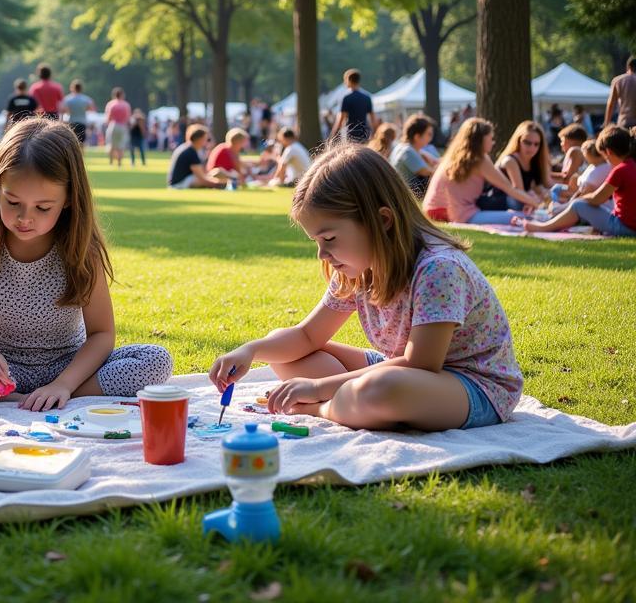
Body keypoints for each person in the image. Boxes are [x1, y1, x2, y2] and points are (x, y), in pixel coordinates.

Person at [209, 145, 521, 431]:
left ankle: (324, 408)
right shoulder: (356, 269)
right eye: (316, 241)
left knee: (383, 390)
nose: (322, 254)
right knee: (280, 346)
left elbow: (420, 364)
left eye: (329, 239)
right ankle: (349, 404)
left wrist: (318, 390)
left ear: (382, 220)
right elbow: (307, 336)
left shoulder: (438, 268)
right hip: (397, 371)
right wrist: (250, 349)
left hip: (473, 386)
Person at [0, 117, 172, 409]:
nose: (25, 218)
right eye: (13, 202)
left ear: (69, 199)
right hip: (2, 370)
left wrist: (63, 385)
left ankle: (46, 397)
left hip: (70, 368)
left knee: (155, 361)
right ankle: (4, 394)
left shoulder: (82, 250)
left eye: (43, 207)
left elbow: (102, 334)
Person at [515, 125, 636, 237]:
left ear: (609, 152)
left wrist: (578, 199)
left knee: (578, 205)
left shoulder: (620, 170)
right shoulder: (632, 165)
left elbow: (597, 198)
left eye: (605, 157)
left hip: (625, 227)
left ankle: (543, 227)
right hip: (630, 225)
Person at [423, 118, 541, 225]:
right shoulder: (480, 159)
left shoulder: (454, 155)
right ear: (482, 140)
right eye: (491, 138)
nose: (493, 142)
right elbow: (509, 188)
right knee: (523, 217)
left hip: (432, 210)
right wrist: (537, 204)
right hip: (457, 213)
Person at [495, 121, 552, 210]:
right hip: (499, 201)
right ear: (518, 141)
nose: (532, 148)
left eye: (536, 144)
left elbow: (541, 185)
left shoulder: (535, 161)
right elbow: (519, 192)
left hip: (520, 201)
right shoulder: (510, 161)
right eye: (527, 143)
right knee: (519, 201)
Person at [166, 124, 230, 189]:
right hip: (179, 184)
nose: (206, 142)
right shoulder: (190, 152)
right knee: (208, 178)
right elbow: (201, 178)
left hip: (181, 181)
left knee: (216, 173)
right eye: (205, 139)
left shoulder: (187, 148)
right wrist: (219, 184)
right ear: (199, 139)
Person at [389, 114, 437, 197]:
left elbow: (435, 161)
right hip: (405, 196)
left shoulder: (405, 147)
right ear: (417, 136)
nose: (431, 138)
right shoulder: (407, 151)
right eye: (429, 134)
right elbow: (431, 172)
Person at [329, 69, 377, 143]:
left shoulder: (346, 98)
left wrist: (333, 134)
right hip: (364, 134)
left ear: (349, 80)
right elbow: (373, 118)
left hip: (351, 134)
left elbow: (341, 118)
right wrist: (375, 132)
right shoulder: (367, 97)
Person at [548, 123, 587, 201]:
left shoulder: (575, 150)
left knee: (553, 190)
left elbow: (568, 178)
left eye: (562, 141)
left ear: (572, 141)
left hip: (576, 192)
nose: (561, 144)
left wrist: (544, 175)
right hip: (576, 191)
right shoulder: (579, 152)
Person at [102, 87, 132, 168]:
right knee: (121, 145)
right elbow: (128, 118)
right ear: (122, 95)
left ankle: (111, 161)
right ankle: (119, 163)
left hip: (113, 125)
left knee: (111, 144)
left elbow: (108, 118)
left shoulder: (111, 104)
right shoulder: (126, 105)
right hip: (122, 126)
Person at [605, 56, 636, 129]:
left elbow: (611, 104)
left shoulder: (618, 80)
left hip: (624, 122)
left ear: (628, 67)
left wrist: (606, 123)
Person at [61, 80, 94, 144]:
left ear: (72, 88)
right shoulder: (86, 99)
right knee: (81, 143)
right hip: (82, 122)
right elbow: (91, 109)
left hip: (72, 122)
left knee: (72, 143)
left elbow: (64, 111)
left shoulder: (68, 99)